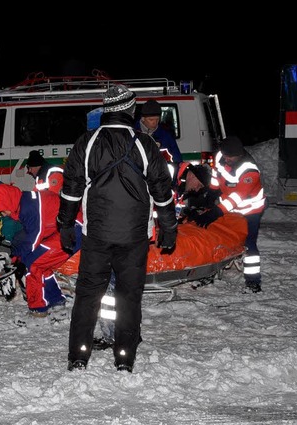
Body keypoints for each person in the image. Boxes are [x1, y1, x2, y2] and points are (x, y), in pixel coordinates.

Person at [57, 84, 177, 373]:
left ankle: (79, 357)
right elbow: (162, 191)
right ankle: (124, 358)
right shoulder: (145, 145)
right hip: (135, 237)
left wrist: (64, 224)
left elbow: (71, 189)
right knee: (129, 298)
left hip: (96, 235)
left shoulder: (86, 142)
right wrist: (169, 227)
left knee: (88, 296)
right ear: (129, 110)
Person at [188, 136, 266, 293]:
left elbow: (236, 198)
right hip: (228, 208)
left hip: (249, 211)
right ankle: (209, 273)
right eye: (226, 155)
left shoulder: (250, 170)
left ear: (240, 154)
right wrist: (210, 196)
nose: (228, 159)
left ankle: (253, 282)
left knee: (248, 244)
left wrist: (214, 213)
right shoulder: (220, 157)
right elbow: (217, 178)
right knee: (215, 237)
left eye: (232, 157)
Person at [0, 183, 81, 317]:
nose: (3, 214)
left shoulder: (28, 207)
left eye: (2, 210)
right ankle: (56, 300)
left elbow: (33, 237)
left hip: (73, 230)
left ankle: (38, 309)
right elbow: (28, 236)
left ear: (8, 201)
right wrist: (16, 256)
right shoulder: (24, 202)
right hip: (64, 229)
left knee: (34, 263)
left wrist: (21, 261)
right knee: (41, 262)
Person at [135, 99, 183, 164]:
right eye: (151, 120)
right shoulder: (133, 133)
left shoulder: (165, 135)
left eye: (157, 119)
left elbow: (177, 159)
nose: (154, 122)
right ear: (143, 118)